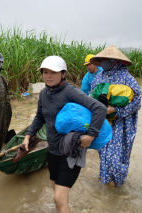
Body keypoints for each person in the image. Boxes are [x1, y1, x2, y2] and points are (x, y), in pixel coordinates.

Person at [22, 56, 107, 213]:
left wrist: (91, 135)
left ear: (63, 73)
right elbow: (40, 117)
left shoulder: (70, 91)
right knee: (57, 194)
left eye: (53, 72)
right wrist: (28, 135)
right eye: (45, 72)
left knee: (59, 198)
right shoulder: (43, 94)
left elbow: (99, 108)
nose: (48, 76)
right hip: (53, 150)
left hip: (71, 151)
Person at [90, 45, 142, 187]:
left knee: (117, 157)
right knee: (104, 153)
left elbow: (137, 102)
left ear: (115, 61)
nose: (102, 62)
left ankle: (117, 188)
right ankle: (106, 183)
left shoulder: (128, 78)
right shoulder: (99, 77)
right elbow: (91, 96)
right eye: (101, 60)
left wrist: (115, 110)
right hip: (103, 123)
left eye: (105, 59)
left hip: (122, 125)